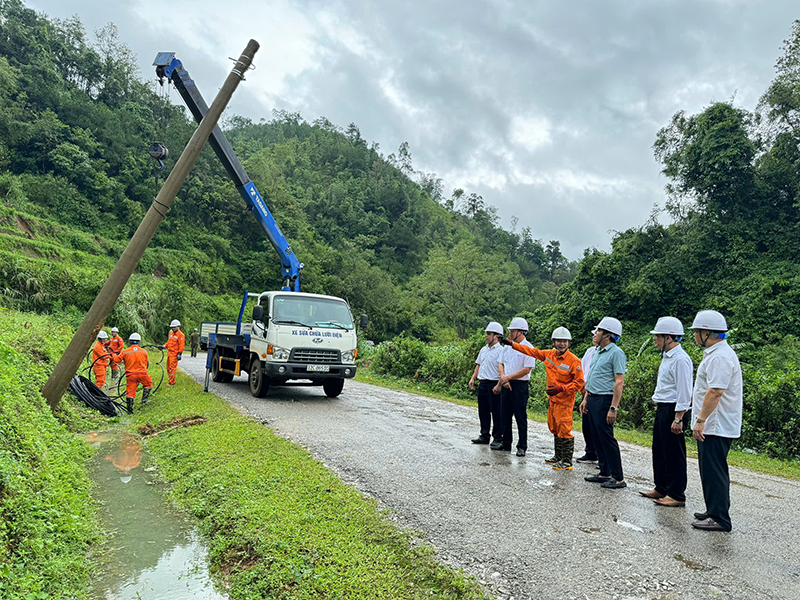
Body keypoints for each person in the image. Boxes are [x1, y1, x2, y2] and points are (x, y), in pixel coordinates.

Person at [502, 326, 584, 470]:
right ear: (553, 342)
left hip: (564, 402)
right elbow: (531, 351)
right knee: (554, 428)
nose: (562, 344)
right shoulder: (549, 355)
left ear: (569, 343)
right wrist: (512, 344)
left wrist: (562, 388)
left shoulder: (574, 361)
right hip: (552, 400)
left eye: (565, 341)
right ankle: (558, 456)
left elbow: (579, 383)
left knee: (564, 429)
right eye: (559, 341)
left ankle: (567, 461)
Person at [689, 310, 742, 532]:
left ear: (707, 332)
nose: (694, 336)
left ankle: (720, 518)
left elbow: (716, 392)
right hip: (713, 423)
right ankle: (713, 510)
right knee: (709, 470)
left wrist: (701, 420)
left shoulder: (720, 356)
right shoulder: (715, 352)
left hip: (715, 424)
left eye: (697, 332)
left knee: (715, 470)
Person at [640, 317, 693, 507]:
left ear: (669, 337)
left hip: (673, 409)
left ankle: (677, 494)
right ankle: (661, 487)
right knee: (660, 450)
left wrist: (678, 417)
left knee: (673, 452)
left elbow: (685, 391)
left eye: (658, 336)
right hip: (663, 407)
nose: (655, 339)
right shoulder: (667, 356)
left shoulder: (680, 359)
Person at [580, 317, 627, 489]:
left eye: (598, 331)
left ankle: (618, 477)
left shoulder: (616, 353)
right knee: (596, 436)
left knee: (607, 438)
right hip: (592, 397)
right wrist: (586, 398)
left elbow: (619, 382)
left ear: (607, 335)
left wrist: (613, 407)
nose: (595, 333)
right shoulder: (597, 352)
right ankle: (604, 472)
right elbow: (592, 377)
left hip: (604, 400)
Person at [490, 317, 536, 456]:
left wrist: (508, 377)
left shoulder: (528, 348)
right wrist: (504, 378)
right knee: (505, 415)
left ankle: (522, 445)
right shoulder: (507, 347)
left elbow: (527, 369)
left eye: (513, 331)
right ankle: (506, 443)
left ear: (521, 332)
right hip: (506, 382)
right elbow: (501, 363)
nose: (510, 333)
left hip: (520, 385)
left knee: (520, 416)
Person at [468, 322, 504, 444]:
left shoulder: (501, 351)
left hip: (494, 383)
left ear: (496, 336)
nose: (486, 336)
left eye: (489, 334)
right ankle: (484, 435)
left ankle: (498, 437)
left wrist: (499, 384)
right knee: (483, 410)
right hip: (483, 383)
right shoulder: (483, 350)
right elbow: (479, 365)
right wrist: (473, 378)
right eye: (486, 334)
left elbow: (503, 370)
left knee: (496, 412)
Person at [111, 333, 152, 413]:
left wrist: (113, 355)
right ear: (139, 342)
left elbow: (117, 360)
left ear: (130, 342)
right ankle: (144, 401)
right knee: (148, 384)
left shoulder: (125, 352)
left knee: (130, 392)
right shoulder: (144, 352)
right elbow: (146, 363)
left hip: (131, 375)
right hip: (142, 374)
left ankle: (130, 410)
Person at [576, 329, 599, 464]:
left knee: (598, 427)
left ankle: (603, 459)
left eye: (597, 333)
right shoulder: (590, 351)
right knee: (587, 425)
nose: (594, 336)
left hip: (597, 392)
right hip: (586, 391)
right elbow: (583, 369)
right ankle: (590, 452)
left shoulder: (610, 353)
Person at [165, 319, 185, 386]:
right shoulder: (171, 334)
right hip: (169, 354)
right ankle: (172, 380)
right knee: (168, 368)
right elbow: (169, 342)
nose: (173, 328)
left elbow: (181, 345)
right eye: (172, 327)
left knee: (172, 369)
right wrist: (164, 346)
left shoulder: (181, 335)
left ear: (178, 327)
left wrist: (180, 354)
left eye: (174, 327)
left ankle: (171, 382)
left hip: (174, 355)